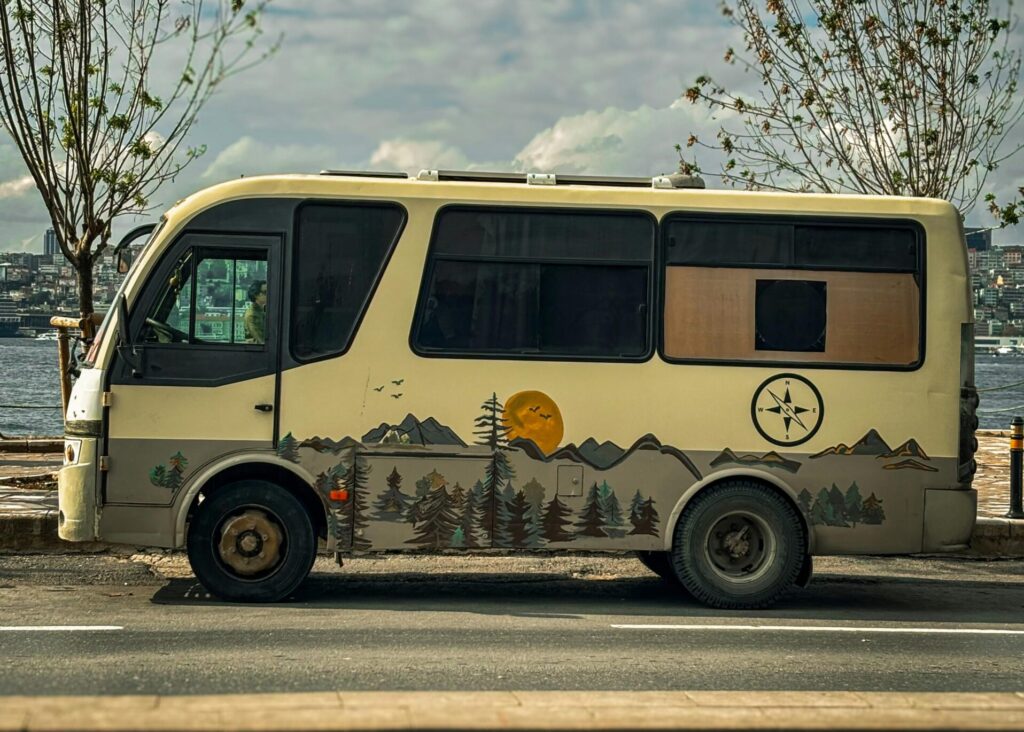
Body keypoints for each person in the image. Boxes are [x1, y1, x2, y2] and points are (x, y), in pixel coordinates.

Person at [244, 280, 267, 344]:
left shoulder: (261, 311)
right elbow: (261, 340)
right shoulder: (252, 315)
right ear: (256, 295)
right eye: (265, 292)